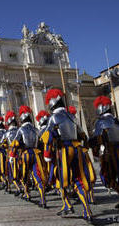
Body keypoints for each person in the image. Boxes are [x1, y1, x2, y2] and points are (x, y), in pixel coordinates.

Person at [41, 89, 93, 222]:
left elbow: (48, 137)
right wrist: (85, 149)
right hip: (77, 150)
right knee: (78, 179)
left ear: (52, 103)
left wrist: (47, 154)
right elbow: (83, 135)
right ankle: (87, 211)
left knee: (59, 177)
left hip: (63, 150)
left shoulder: (53, 117)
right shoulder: (72, 116)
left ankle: (67, 204)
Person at [9, 105, 47, 208]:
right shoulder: (36, 129)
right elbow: (40, 143)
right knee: (37, 175)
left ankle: (26, 193)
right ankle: (43, 199)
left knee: (24, 175)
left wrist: (12, 155)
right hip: (36, 153)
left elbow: (15, 143)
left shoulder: (21, 129)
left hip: (25, 154)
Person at [88, 95, 119, 209]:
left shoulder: (100, 122)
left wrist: (89, 143)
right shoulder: (116, 120)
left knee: (107, 176)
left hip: (110, 153)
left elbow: (96, 138)